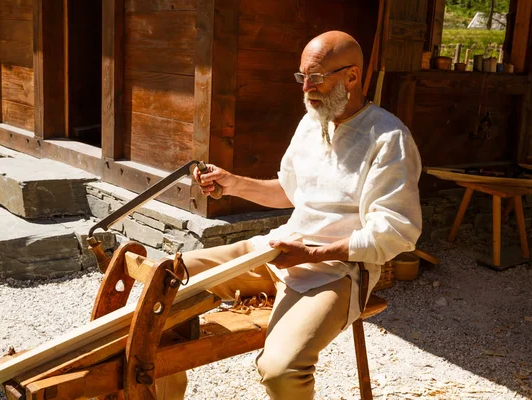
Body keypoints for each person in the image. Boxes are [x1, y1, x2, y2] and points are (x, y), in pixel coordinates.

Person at [166, 30, 422, 400]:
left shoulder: (387, 137)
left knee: (281, 371)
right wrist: (232, 182)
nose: (306, 89)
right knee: (171, 280)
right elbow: (290, 192)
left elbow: (396, 232)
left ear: (351, 77)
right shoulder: (311, 123)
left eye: (316, 78)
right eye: (302, 78)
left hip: (339, 270)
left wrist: (314, 254)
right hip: (281, 252)